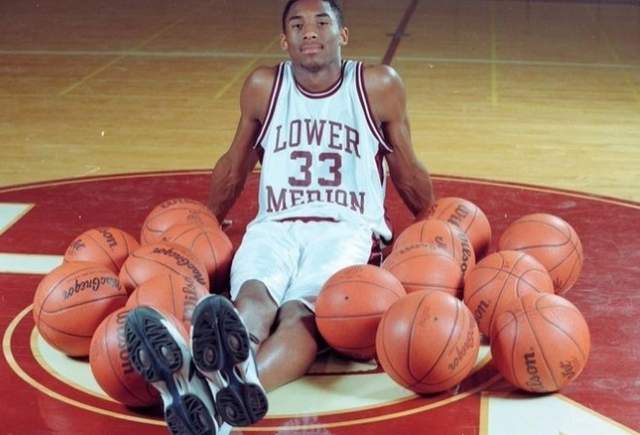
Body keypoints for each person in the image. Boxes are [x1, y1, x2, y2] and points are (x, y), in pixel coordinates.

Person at [124, 0, 435, 434]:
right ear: (284, 40)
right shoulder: (264, 87)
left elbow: (406, 168)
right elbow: (235, 165)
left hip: (346, 230)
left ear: (342, 35)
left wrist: (431, 226)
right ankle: (222, 389)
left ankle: (210, 397)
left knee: (300, 316)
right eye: (297, 25)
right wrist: (209, 221)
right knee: (252, 300)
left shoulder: (376, 85)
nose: (310, 32)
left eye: (322, 22)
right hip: (274, 226)